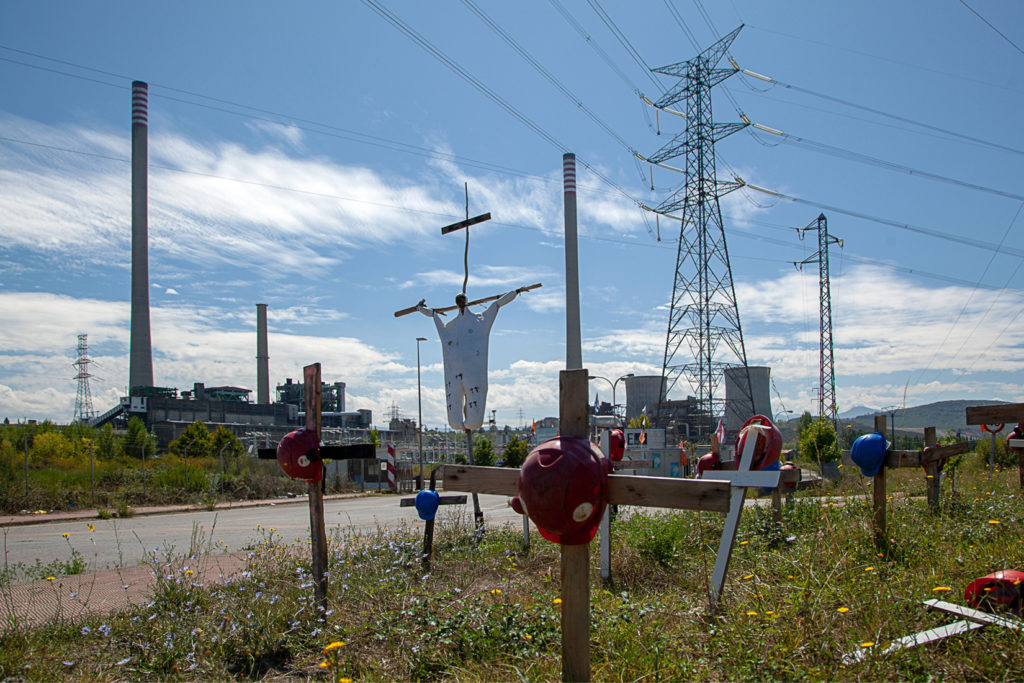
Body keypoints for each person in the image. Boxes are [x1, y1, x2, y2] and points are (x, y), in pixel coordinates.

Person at [418, 289, 519, 431]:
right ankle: (464, 423)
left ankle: (464, 423)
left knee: (468, 410)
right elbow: (497, 304)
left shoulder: (474, 322)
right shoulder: (473, 322)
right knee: (464, 410)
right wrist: (421, 308)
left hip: (467, 372)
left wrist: (516, 292)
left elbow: (434, 315)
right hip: (463, 373)